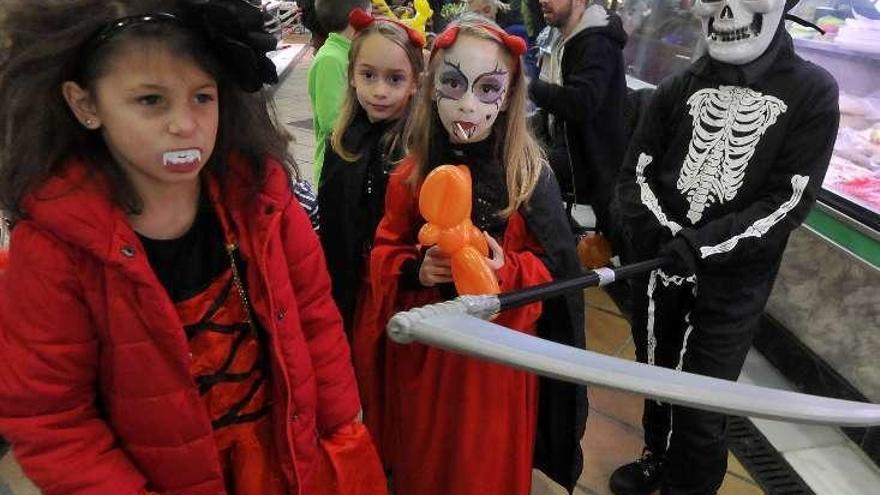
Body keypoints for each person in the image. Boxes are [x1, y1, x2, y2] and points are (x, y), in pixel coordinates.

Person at [0, 1, 387, 494]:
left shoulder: (260, 199)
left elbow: (313, 310)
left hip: (285, 459)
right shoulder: (55, 249)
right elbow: (51, 416)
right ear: (86, 105)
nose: (184, 125)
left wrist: (340, 416)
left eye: (202, 97)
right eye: (150, 101)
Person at [612, 0, 839, 493]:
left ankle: (688, 484)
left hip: (733, 285)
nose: (727, 7)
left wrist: (701, 247)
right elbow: (635, 173)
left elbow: (788, 200)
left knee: (701, 400)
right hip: (660, 269)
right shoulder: (677, 86)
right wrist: (662, 236)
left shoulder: (812, 92)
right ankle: (655, 454)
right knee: (654, 375)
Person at [355, 13, 587, 495]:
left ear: (507, 98)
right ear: (432, 85)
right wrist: (417, 270)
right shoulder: (410, 173)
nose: (466, 105)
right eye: (453, 84)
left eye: (486, 89)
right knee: (426, 462)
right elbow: (383, 251)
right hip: (429, 358)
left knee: (485, 467)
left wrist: (508, 271)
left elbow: (556, 273)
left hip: (497, 366)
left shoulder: (526, 177)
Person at [318, 9, 424, 333]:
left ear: (415, 83)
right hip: (351, 287)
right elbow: (333, 220)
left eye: (395, 79)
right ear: (351, 75)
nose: (380, 91)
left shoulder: (418, 149)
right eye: (369, 75)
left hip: (400, 295)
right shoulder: (344, 140)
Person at [529, 0, 627, 246]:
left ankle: (561, 257)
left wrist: (529, 87)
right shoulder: (569, 39)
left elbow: (581, 103)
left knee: (523, 171)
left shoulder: (596, 42)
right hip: (575, 149)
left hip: (593, 161)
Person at [309, 0, 372, 182]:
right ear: (357, 18)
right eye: (370, 14)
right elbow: (331, 122)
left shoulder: (350, 52)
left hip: (351, 159)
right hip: (334, 166)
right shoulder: (330, 58)